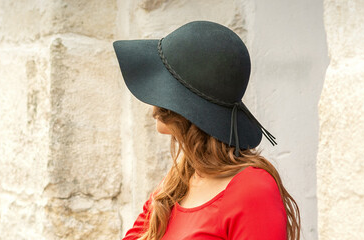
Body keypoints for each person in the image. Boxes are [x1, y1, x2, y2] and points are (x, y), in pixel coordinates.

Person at [113, 21, 300, 240]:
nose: (152, 97)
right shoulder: (179, 180)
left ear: (180, 109)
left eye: (161, 85)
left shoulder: (253, 190)